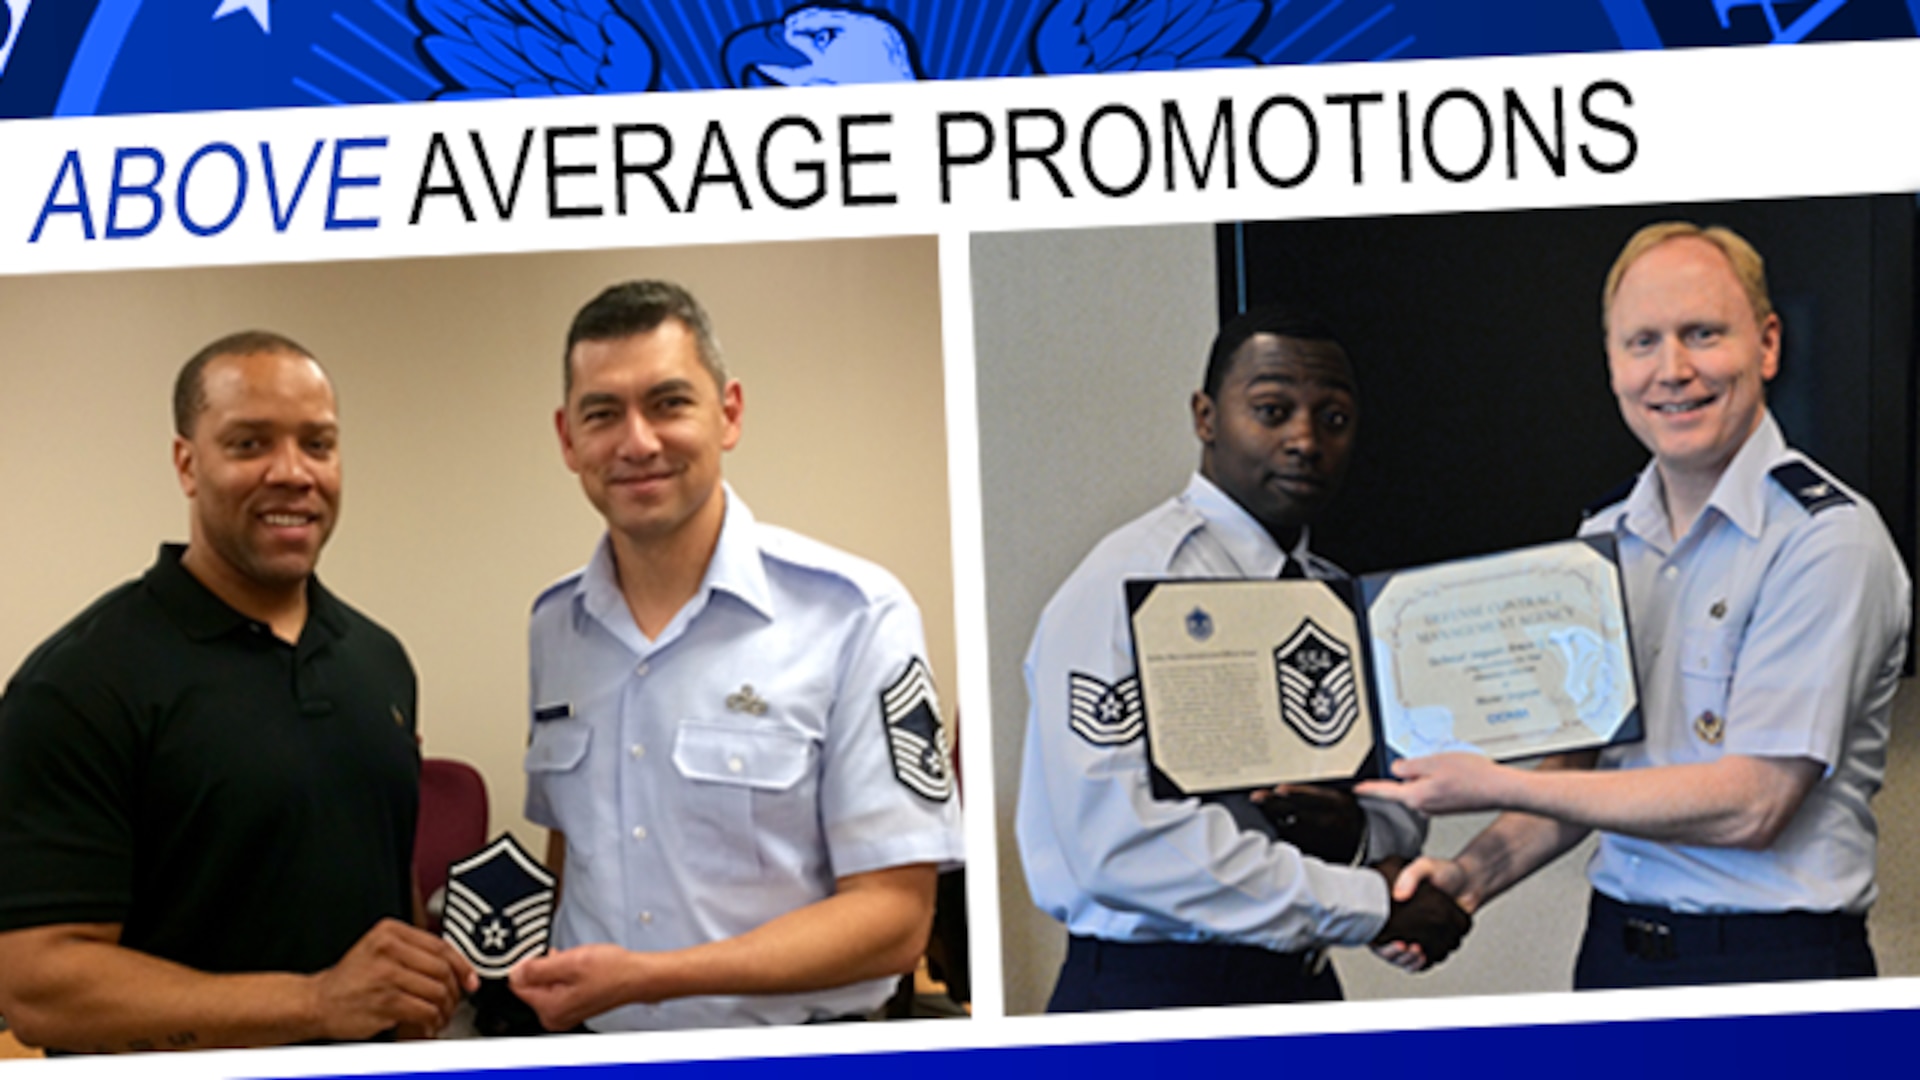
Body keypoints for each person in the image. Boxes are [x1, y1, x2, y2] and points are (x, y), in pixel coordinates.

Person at [1360, 222, 1911, 988]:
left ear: (1769, 343)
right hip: (1616, 955)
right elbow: (1580, 775)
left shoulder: (1826, 542)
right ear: (1613, 365)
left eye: (1703, 334)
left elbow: (1753, 805)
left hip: (1773, 968)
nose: (1673, 371)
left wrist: (1493, 781)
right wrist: (1470, 876)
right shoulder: (1601, 540)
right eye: (1641, 341)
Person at [0, 332, 476, 1053]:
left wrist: (409, 987)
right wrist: (316, 1003)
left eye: (318, 444)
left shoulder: (379, 661)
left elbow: (382, 866)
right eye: (250, 444)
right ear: (187, 464)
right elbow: (38, 987)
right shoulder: (78, 685)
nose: (293, 473)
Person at [507, 280, 963, 1031]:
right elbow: (571, 851)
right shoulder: (556, 627)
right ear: (567, 439)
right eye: (602, 414)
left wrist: (648, 979)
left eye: (668, 402)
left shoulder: (853, 614)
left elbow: (894, 919)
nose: (638, 442)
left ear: (730, 414)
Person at [1015, 305, 1470, 1013]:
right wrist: (1368, 901)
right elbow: (1118, 842)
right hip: (1158, 993)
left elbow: (1402, 798)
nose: (1305, 440)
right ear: (1205, 417)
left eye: (1335, 418)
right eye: (1271, 409)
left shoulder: (1335, 597)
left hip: (1301, 982)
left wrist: (1356, 833)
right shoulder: (1126, 585)